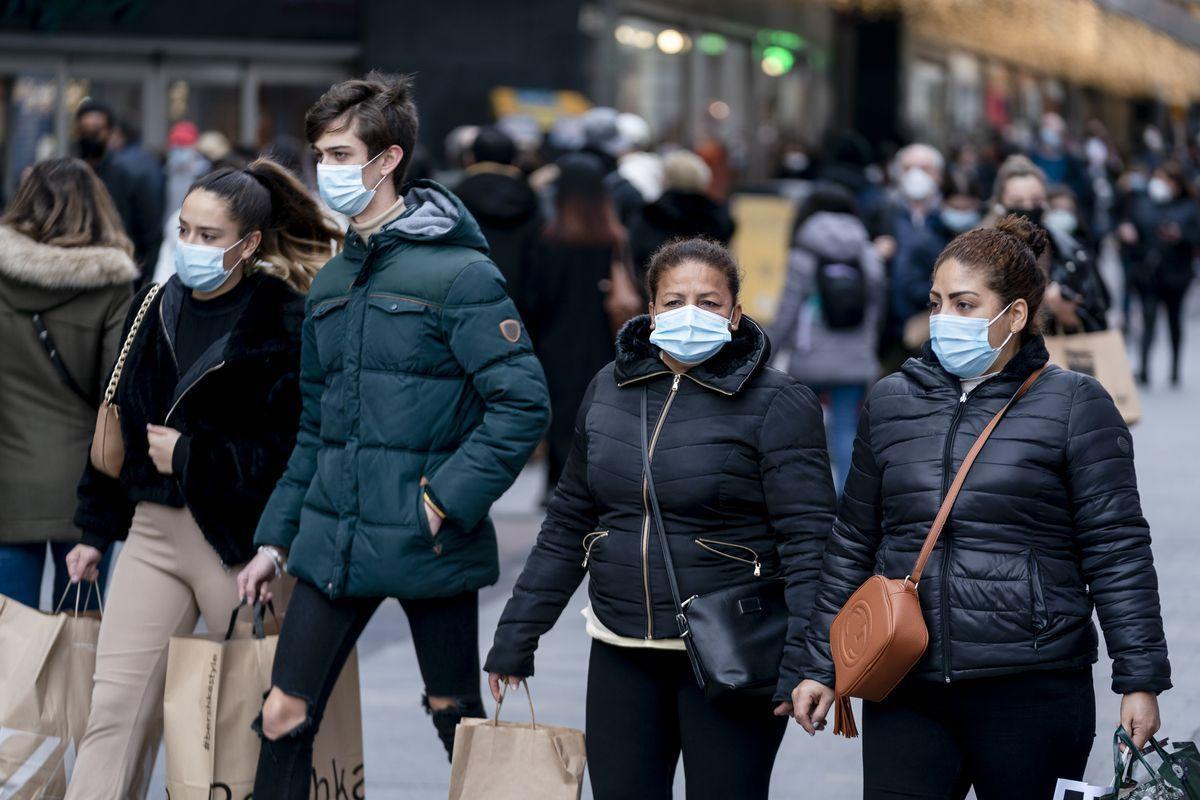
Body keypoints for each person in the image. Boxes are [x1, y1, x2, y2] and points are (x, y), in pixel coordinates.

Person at [238, 72, 550, 797]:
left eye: (343, 153)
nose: (327, 169)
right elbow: (314, 426)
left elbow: (522, 404)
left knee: (454, 715)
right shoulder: (333, 280)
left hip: (424, 537)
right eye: (322, 153)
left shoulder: (460, 274)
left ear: (388, 160)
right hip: (332, 537)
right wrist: (273, 537)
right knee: (282, 711)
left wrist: (443, 500)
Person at [791, 216, 1170, 799]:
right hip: (907, 679)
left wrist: (1139, 678)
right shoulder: (892, 400)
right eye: (937, 302)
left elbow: (1116, 547)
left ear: (1014, 315)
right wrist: (819, 661)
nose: (945, 319)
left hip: (1031, 684)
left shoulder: (1075, 405)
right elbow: (852, 538)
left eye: (966, 305)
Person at [485, 237, 837, 800]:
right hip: (622, 648)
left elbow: (810, 542)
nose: (690, 314)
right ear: (650, 313)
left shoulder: (778, 401)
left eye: (709, 302)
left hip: (732, 657)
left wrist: (810, 659)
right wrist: (517, 633)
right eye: (674, 303)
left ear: (736, 313)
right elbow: (570, 520)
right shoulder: (609, 388)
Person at [63, 157, 340, 798]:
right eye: (184, 229)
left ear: (248, 245)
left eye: (209, 236)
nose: (191, 245)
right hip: (153, 534)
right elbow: (116, 422)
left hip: (238, 545)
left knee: (246, 719)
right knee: (115, 712)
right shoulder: (151, 305)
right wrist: (93, 532)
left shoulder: (286, 319)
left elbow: (295, 447)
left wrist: (195, 457)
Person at [0, 159, 135, 610]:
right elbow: (115, 392)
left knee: (7, 638)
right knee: (76, 639)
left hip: (8, 485)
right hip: (85, 490)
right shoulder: (112, 286)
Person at [520, 153, 630, 496]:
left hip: (556, 340)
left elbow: (534, 297)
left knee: (560, 409)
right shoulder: (613, 239)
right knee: (598, 408)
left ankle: (557, 481)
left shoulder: (549, 240)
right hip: (601, 338)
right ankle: (592, 480)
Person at [768, 183, 885, 495]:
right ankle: (847, 509)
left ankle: (806, 499)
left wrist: (765, 355)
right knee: (847, 433)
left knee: (803, 435)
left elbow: (787, 312)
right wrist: (867, 352)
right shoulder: (867, 252)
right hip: (853, 362)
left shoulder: (801, 254)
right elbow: (876, 308)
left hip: (809, 362)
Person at [988, 154, 1110, 334]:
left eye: (1035, 201)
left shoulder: (1070, 251)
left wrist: (1068, 315)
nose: (1028, 208)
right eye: (1018, 202)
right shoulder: (979, 255)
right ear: (1000, 205)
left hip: (1056, 355)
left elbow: (1099, 317)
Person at [1118, 159, 1200, 386]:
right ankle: (1144, 368)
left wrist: (1180, 236)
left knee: (1174, 320)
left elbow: (1195, 237)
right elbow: (1129, 226)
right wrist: (1127, 233)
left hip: (1177, 275)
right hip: (1149, 273)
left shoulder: (1189, 207)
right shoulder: (1142, 203)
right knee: (1148, 319)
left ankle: (1175, 368)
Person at [876, 143, 952, 372]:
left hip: (936, 331)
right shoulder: (880, 213)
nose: (915, 175)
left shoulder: (952, 218)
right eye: (908, 167)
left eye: (924, 168)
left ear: (938, 176)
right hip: (887, 333)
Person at [75, 102, 164, 278]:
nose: (90, 136)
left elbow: (149, 233)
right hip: (78, 270)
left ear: (109, 133)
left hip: (119, 272)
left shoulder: (127, 175)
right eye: (85, 130)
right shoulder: (71, 174)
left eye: (96, 130)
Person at [454, 125, 542, 298]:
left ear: (470, 159)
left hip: (465, 297)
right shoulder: (529, 197)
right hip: (519, 302)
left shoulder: (456, 196)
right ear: (515, 161)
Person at [628, 149, 736, 285]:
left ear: (666, 176)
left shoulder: (651, 213)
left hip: (659, 287)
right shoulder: (717, 216)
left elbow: (637, 254)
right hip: (706, 286)